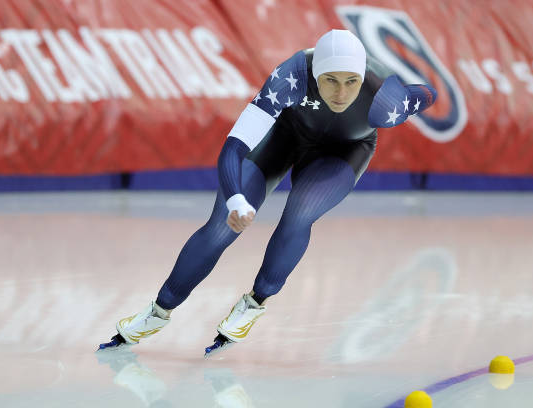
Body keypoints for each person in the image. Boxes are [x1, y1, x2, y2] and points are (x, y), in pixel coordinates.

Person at [98, 29, 437, 356]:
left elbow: (427, 93)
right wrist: (236, 199)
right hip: (284, 136)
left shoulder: (384, 99)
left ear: (363, 78)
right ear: (314, 75)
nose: (341, 93)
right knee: (221, 225)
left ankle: (255, 302)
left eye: (351, 81)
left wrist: (414, 94)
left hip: (345, 151)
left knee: (299, 216)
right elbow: (233, 149)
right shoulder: (290, 77)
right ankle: (158, 311)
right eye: (330, 80)